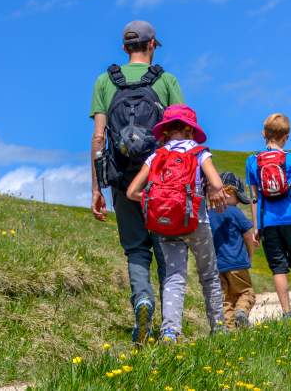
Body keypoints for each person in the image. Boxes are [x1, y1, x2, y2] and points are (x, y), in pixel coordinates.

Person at [90, 21, 184, 344]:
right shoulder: (166, 81)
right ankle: (169, 328)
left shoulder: (105, 81)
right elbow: (179, 137)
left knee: (135, 250)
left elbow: (99, 138)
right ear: (153, 44)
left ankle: (142, 302)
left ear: (124, 48)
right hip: (159, 182)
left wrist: (96, 188)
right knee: (166, 250)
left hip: (120, 179)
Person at [127, 104, 228, 342]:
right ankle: (219, 329)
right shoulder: (198, 152)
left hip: (165, 224)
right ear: (189, 130)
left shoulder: (155, 156)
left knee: (174, 276)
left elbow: (133, 192)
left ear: (166, 131)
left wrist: (156, 201)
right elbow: (216, 183)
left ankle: (170, 332)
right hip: (196, 222)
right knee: (209, 275)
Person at [246, 113, 291, 316]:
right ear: (287, 136)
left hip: (268, 221)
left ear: (264, 134)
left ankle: (286, 312)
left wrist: (256, 226)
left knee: (278, 267)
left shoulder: (252, 161)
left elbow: (254, 197)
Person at [209, 172, 257, 329]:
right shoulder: (235, 212)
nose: (238, 202)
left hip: (217, 266)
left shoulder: (208, 215)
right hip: (237, 263)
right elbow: (249, 236)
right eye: (238, 198)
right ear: (230, 192)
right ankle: (241, 312)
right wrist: (249, 256)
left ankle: (229, 332)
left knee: (226, 300)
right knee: (246, 292)